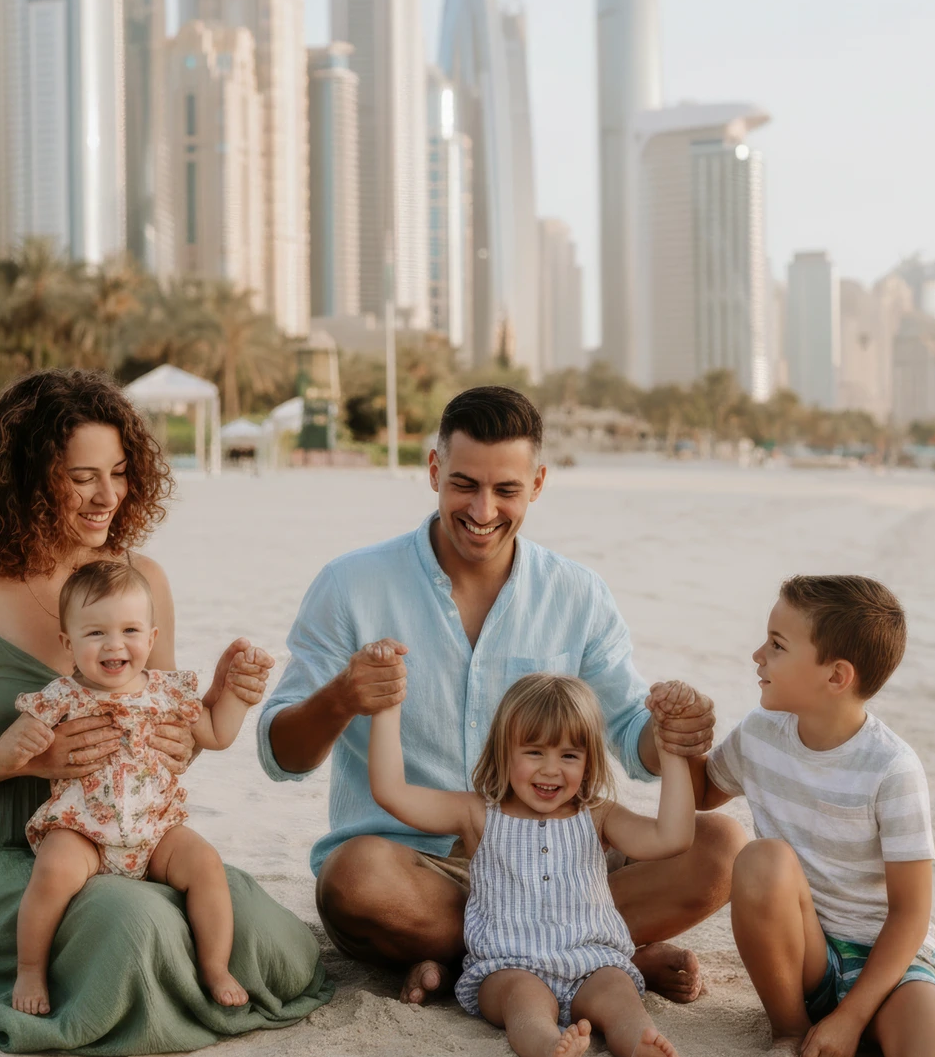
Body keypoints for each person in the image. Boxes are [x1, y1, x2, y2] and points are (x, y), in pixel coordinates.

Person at [0, 368, 333, 1054]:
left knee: (269, 941)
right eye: (82, 476)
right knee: (134, 929)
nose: (108, 495)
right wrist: (11, 757)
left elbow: (175, 727)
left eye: (119, 471)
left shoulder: (140, 582)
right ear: (25, 479)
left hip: (127, 830)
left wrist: (204, 723)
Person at [259, 386, 745, 1005]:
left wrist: (673, 730)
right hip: (415, 876)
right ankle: (590, 957)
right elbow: (282, 758)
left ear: (538, 483)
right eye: (464, 484)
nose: (483, 509)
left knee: (724, 848)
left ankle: (477, 959)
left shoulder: (578, 594)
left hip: (562, 870)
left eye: (506, 490)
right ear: (434, 469)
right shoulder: (350, 584)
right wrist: (342, 697)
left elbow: (630, 736)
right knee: (353, 880)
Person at [682, 574, 935, 1057]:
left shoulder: (892, 768)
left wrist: (853, 1015)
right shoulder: (759, 735)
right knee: (761, 859)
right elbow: (703, 790)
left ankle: (864, 1024)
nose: (757, 655)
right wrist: (677, 735)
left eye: (776, 645)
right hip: (805, 954)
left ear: (836, 676)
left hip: (885, 960)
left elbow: (910, 913)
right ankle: (791, 1033)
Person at [368, 659, 697, 1057]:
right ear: (506, 751)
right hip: (507, 966)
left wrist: (671, 748)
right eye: (534, 751)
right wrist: (387, 706)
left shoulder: (597, 815)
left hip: (591, 961)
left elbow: (672, 838)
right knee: (524, 1003)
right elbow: (392, 793)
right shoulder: (477, 814)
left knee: (619, 994)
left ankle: (638, 1048)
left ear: (589, 760)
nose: (550, 769)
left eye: (569, 755)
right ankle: (548, 1050)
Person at [8, 558, 268, 1015]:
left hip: (155, 831)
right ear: (68, 643)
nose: (114, 645)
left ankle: (215, 967)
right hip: (83, 828)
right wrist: (22, 739)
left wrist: (236, 695)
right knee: (52, 871)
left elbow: (216, 735)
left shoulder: (168, 691)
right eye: (95, 634)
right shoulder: (63, 695)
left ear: (152, 638)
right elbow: (20, 745)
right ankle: (30, 968)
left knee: (206, 864)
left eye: (130, 631)